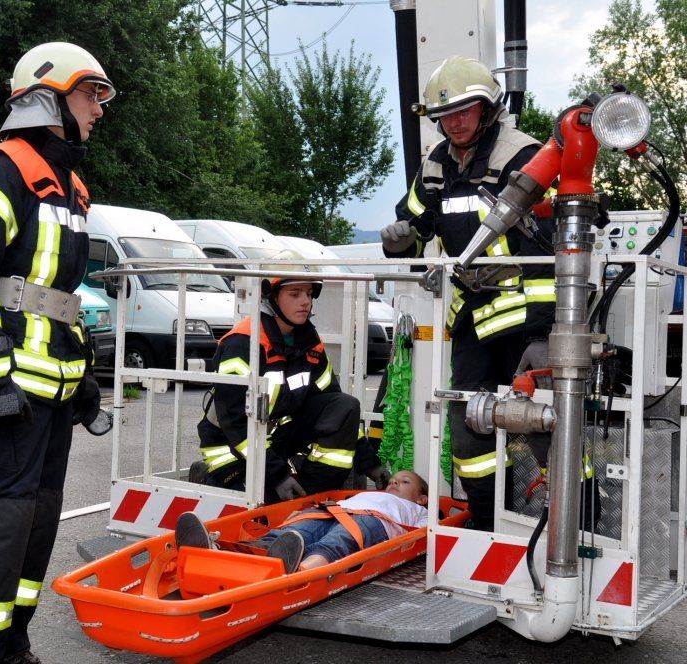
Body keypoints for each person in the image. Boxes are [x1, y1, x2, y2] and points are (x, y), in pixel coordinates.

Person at [0, 42, 115, 664]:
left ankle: (11, 645)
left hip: (51, 392)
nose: (98, 109)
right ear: (47, 97)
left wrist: (81, 373)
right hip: (7, 391)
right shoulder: (2, 170)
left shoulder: (71, 187)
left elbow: (55, 296)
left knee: (37, 524)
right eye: (89, 95)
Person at [379, 56, 556, 531]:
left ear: (488, 107)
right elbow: (415, 228)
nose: (453, 122)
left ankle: (578, 521)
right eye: (444, 115)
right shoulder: (435, 165)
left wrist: (543, 336)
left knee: (545, 425)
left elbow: (549, 252)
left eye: (463, 110)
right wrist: (398, 242)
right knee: (470, 426)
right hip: (472, 320)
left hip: (526, 321)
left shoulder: (523, 156)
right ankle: (485, 522)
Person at [193, 263, 390, 502]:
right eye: (295, 294)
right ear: (271, 296)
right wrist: (277, 475)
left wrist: (370, 464)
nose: (305, 301)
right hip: (232, 448)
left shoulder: (309, 342)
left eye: (309, 294)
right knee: (263, 501)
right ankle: (210, 477)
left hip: (275, 443)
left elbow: (336, 410)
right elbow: (235, 422)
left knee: (345, 405)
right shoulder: (243, 344)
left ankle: (310, 496)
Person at [176, 470, 429, 573]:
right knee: (291, 534)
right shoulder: (368, 494)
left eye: (405, 482)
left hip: (374, 522)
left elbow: (428, 534)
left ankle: (302, 572)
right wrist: (301, 513)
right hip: (331, 512)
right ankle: (218, 552)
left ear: (422, 498)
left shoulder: (419, 511)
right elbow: (334, 502)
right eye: (393, 479)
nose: (395, 482)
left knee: (338, 541)